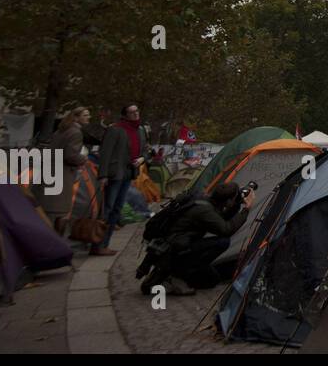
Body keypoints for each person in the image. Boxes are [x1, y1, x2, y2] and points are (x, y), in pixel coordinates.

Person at [139, 182, 253, 295]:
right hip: (175, 249)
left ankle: (165, 273)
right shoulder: (204, 211)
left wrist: (236, 204)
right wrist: (246, 209)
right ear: (227, 201)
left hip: (173, 245)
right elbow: (226, 229)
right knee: (222, 242)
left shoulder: (204, 200)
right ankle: (174, 276)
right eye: (234, 198)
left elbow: (219, 219)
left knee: (212, 280)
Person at [94, 103, 148, 256]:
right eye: (132, 112)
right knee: (107, 208)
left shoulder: (140, 131)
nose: (136, 114)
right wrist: (103, 174)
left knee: (116, 209)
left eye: (137, 111)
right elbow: (105, 153)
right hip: (114, 173)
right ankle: (97, 242)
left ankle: (105, 243)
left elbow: (145, 150)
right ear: (125, 115)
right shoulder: (115, 129)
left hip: (129, 172)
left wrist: (142, 159)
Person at [43, 107, 89, 235]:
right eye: (85, 115)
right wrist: (83, 158)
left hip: (50, 171)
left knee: (49, 209)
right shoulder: (76, 132)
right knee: (61, 211)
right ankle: (56, 243)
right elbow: (70, 155)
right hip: (63, 173)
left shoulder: (61, 130)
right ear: (76, 117)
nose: (88, 117)